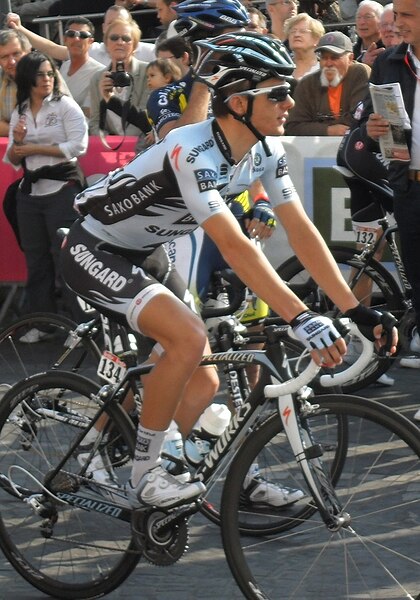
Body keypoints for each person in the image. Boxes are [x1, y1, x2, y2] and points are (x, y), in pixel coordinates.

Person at [60, 32, 396, 509]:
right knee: (188, 336)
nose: (289, 101)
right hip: (95, 246)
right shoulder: (190, 148)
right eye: (277, 93)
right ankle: (143, 474)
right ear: (239, 102)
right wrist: (301, 317)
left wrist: (355, 310)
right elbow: (235, 245)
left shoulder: (266, 151)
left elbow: (303, 233)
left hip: (147, 251)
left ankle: (183, 466)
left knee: (204, 381)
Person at [358, 0, 420, 405]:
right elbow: (377, 130)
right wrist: (373, 126)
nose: (397, 24)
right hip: (411, 190)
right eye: (397, 14)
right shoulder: (387, 63)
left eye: (408, 15)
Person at [3, 51, 88, 340]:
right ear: (28, 78)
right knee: (36, 261)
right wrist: (18, 142)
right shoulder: (21, 110)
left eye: (50, 73)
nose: (47, 79)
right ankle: (44, 324)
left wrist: (38, 149)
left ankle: (79, 327)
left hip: (62, 190)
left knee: (66, 259)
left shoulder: (64, 105)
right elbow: (12, 158)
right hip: (31, 194)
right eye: (41, 74)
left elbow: (79, 146)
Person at [6, 5, 156, 66]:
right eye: (111, 24)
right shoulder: (93, 50)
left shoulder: (149, 52)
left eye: (121, 23)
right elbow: (53, 49)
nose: (118, 36)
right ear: (103, 28)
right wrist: (19, 28)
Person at [285, 31, 370, 137]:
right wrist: (329, 130)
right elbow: (292, 126)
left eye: (334, 58)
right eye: (324, 58)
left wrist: (314, 126)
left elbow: (358, 117)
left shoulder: (359, 73)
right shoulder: (307, 84)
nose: (328, 63)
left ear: (350, 58)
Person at [89, 18, 149, 147]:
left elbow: (147, 116)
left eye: (126, 38)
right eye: (114, 38)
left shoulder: (149, 72)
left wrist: (127, 144)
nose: (120, 42)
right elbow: (95, 122)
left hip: (143, 148)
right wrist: (109, 144)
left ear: (135, 45)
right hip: (110, 151)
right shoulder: (97, 78)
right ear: (106, 44)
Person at [58, 17, 104, 122]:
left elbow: (90, 113)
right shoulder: (64, 67)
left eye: (83, 35)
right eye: (71, 34)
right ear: (65, 39)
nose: (76, 39)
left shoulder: (99, 73)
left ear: (91, 42)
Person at [0, 28, 31, 136]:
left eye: (16, 54)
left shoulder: (45, 74)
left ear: (27, 52)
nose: (12, 62)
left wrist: (8, 129)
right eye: (4, 57)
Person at [284, 12, 325, 81]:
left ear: (316, 39)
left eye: (303, 31)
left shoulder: (325, 69)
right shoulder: (282, 67)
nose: (296, 34)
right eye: (293, 31)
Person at [353, 0, 385, 67]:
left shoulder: (388, 48)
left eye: (367, 17)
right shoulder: (351, 51)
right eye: (358, 17)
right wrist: (362, 63)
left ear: (381, 21)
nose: (362, 22)